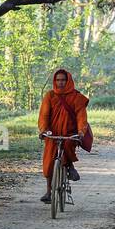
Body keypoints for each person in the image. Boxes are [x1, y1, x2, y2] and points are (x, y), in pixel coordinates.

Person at [38, 67, 92, 203]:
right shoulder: (49, 96)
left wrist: (80, 132)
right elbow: (44, 115)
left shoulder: (76, 97)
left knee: (68, 144)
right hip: (53, 133)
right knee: (49, 163)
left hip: (70, 133)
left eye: (63, 80)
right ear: (54, 81)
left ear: (68, 81)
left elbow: (81, 117)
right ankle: (49, 192)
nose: (60, 83)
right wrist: (43, 130)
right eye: (58, 80)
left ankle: (70, 166)